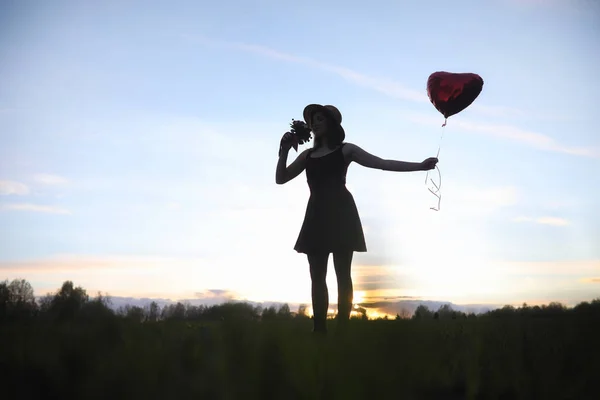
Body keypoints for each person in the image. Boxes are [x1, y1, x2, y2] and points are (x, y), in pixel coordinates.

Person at [275, 104, 438, 334]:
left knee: (343, 275)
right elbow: (281, 178)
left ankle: (343, 330)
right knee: (317, 276)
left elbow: (382, 163)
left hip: (341, 212)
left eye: (320, 119)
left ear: (331, 124)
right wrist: (283, 150)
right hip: (316, 215)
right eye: (313, 121)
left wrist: (420, 167)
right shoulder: (307, 156)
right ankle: (319, 331)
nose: (314, 124)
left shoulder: (346, 150)